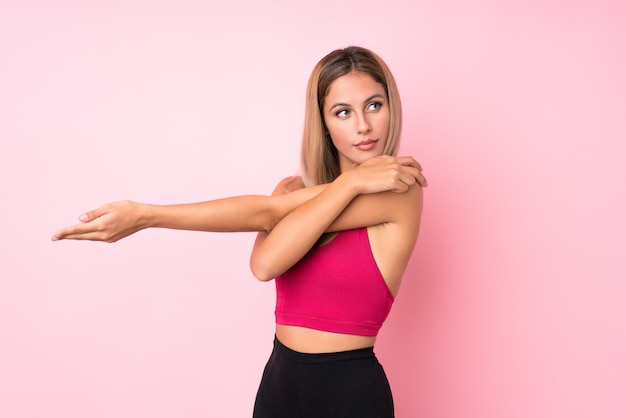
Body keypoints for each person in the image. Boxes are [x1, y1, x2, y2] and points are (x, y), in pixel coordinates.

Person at [52, 46, 427, 417]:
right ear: (324, 124)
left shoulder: (399, 189)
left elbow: (266, 259)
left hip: (349, 391)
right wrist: (142, 215)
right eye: (342, 112)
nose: (363, 125)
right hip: (279, 383)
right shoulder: (290, 189)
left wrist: (147, 215)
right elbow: (267, 240)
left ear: (391, 107)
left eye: (374, 105)